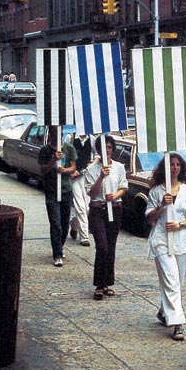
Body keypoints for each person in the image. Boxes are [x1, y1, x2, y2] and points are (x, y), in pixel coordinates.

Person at [145, 153, 186, 341]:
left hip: (181, 240)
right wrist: (160, 206)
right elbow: (149, 217)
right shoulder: (157, 191)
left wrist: (180, 224)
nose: (174, 168)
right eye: (171, 165)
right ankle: (178, 323)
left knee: (177, 283)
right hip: (161, 240)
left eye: (177, 165)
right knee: (171, 280)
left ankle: (163, 311)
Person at [84, 135, 128, 300]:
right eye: (104, 147)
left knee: (111, 247)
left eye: (109, 147)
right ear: (98, 150)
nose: (107, 150)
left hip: (115, 209)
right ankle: (99, 283)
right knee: (102, 246)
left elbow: (124, 187)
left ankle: (107, 282)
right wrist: (101, 177)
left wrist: (115, 195)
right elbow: (92, 192)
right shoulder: (92, 169)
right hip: (98, 210)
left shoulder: (119, 167)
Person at [38, 126, 77, 267]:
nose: (57, 135)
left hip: (66, 190)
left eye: (59, 132)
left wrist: (65, 170)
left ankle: (60, 245)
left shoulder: (69, 148)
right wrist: (53, 160)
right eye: (54, 133)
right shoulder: (45, 150)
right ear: (51, 134)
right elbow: (42, 170)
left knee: (65, 223)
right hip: (51, 191)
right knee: (56, 223)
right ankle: (57, 254)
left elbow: (73, 166)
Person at [69, 134, 95, 247]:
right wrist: (70, 170)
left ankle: (74, 225)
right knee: (80, 206)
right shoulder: (71, 138)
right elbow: (67, 155)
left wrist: (91, 164)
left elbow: (97, 155)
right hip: (74, 177)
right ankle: (84, 237)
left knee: (88, 208)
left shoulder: (92, 139)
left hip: (87, 176)